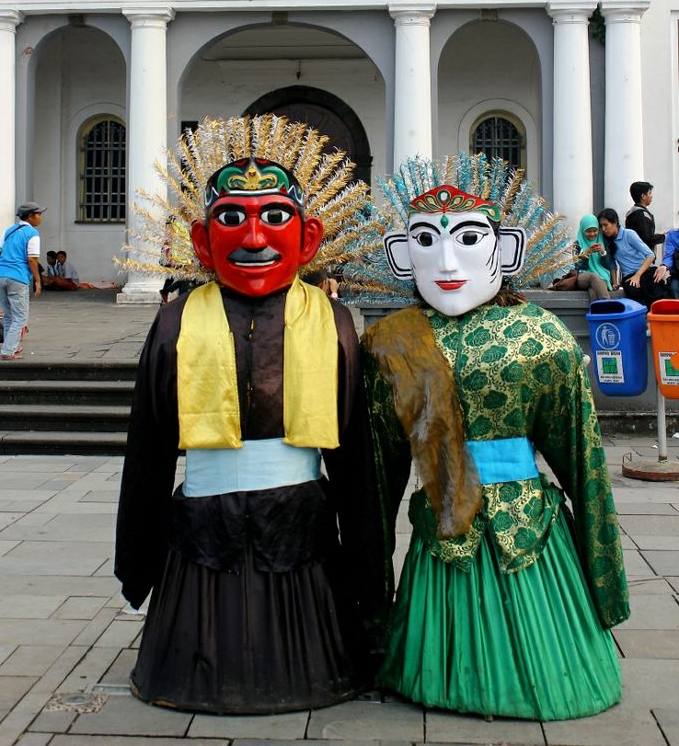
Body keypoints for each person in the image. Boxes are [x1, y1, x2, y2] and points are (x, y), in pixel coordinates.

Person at [115, 127, 384, 714]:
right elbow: (149, 449)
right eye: (232, 218)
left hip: (299, 521)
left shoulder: (332, 321)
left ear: (308, 237)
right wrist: (137, 552)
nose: (255, 238)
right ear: (203, 242)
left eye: (276, 218)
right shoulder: (175, 323)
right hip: (205, 526)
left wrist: (367, 561)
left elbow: (355, 456)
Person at [358, 160, 628, 721]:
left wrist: (605, 581)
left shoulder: (541, 338)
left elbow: (584, 464)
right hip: (444, 519)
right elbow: (375, 480)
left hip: (525, 527)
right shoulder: (389, 342)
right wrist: (369, 593)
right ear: (401, 254)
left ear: (505, 250)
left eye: (469, 238)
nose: (447, 261)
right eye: (426, 241)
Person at [0, 203, 45, 361]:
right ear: (30, 216)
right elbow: (32, 259)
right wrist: (38, 280)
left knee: (8, 315)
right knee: (20, 317)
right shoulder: (32, 233)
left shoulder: (9, 230)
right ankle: (8, 350)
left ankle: (12, 346)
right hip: (18, 277)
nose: (40, 217)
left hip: (0, 275)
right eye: (38, 214)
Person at [598, 207, 669, 306]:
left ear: (614, 223)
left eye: (606, 225)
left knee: (657, 292)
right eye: (601, 226)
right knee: (634, 293)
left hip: (645, 271)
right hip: (629, 276)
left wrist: (638, 275)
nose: (604, 229)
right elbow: (612, 264)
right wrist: (614, 283)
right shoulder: (607, 242)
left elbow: (650, 255)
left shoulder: (629, 234)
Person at [573, 213, 612, 301]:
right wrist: (586, 254)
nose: (592, 234)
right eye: (588, 231)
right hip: (582, 277)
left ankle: (596, 312)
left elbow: (608, 266)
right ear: (583, 231)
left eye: (595, 230)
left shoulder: (603, 242)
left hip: (601, 276)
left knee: (593, 291)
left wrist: (603, 253)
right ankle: (608, 304)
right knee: (594, 277)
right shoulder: (577, 244)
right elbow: (577, 267)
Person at [625, 181, 665, 253]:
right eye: (649, 193)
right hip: (642, 257)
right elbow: (647, 238)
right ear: (643, 196)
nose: (651, 196)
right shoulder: (641, 214)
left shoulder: (633, 213)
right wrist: (664, 237)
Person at [662, 225, 679, 300]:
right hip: (677, 275)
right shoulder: (673, 235)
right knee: (673, 288)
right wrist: (664, 265)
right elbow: (669, 255)